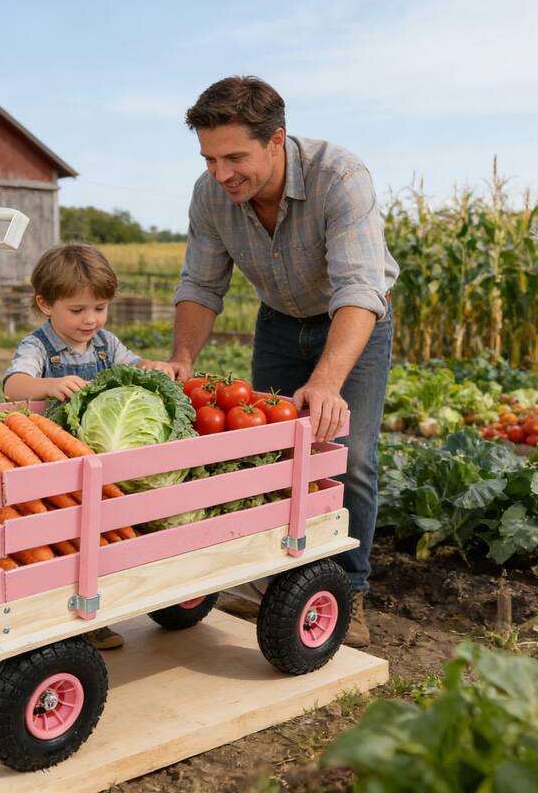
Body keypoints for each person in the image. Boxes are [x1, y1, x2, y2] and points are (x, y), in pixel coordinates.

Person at [169, 76, 399, 648]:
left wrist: (326, 382)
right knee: (268, 456)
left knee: (348, 455)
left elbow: (358, 288)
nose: (221, 173)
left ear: (276, 139)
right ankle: (279, 578)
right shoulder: (210, 195)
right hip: (277, 324)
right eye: (210, 158)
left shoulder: (340, 176)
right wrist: (181, 359)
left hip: (353, 324)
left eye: (234, 157)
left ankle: (347, 590)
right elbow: (201, 283)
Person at [3, 242, 175, 650]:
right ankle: (64, 614)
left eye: (99, 308)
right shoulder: (37, 347)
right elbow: (13, 385)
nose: (90, 319)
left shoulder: (106, 344)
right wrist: (47, 385)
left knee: (102, 537)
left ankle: (98, 610)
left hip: (102, 465)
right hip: (56, 463)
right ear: (45, 304)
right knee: (66, 539)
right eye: (77, 310)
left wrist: (151, 367)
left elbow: (133, 365)